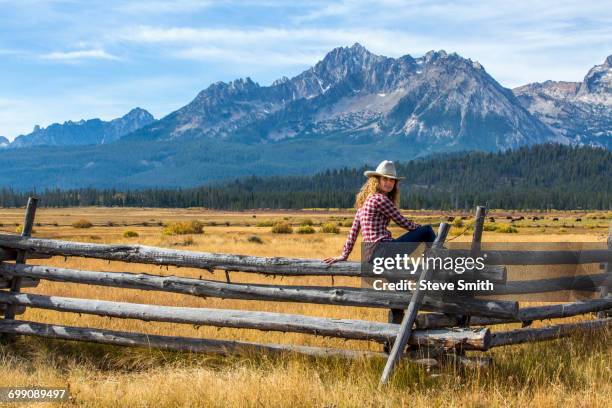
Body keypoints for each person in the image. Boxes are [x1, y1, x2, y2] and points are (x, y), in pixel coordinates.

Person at [323, 160, 437, 351]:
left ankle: (390, 344)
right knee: (427, 231)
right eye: (385, 179)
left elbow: (353, 233)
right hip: (385, 252)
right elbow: (404, 223)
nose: (389, 183)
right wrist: (423, 231)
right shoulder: (381, 200)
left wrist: (344, 255)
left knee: (399, 298)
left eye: (392, 181)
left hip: (373, 257)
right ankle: (443, 263)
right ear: (376, 180)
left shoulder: (364, 203)